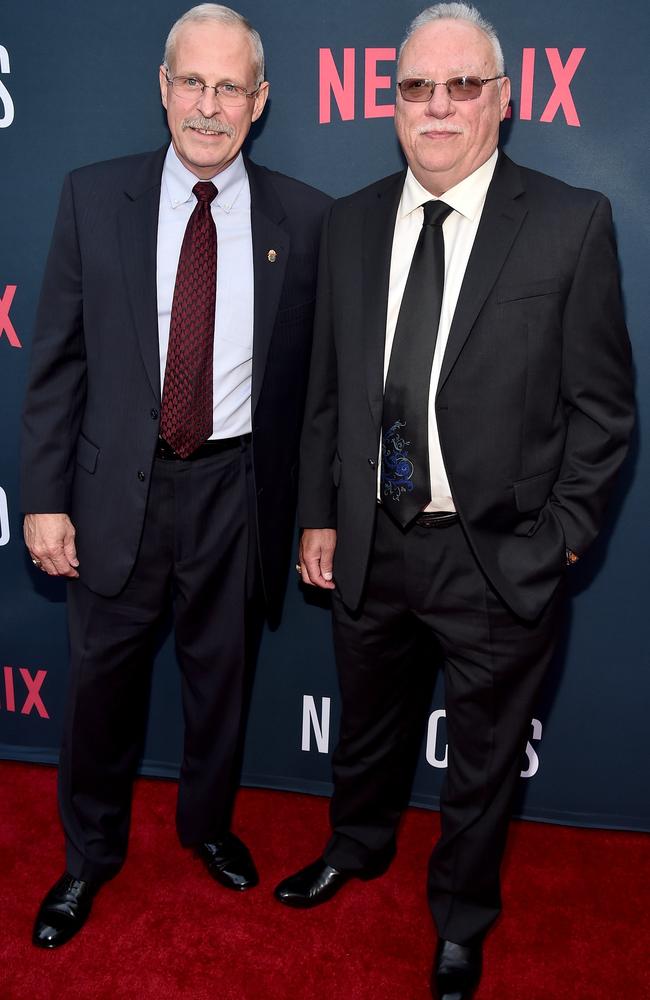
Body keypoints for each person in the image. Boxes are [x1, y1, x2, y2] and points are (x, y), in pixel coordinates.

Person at [274, 4, 634, 998]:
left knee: (481, 761)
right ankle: (355, 845)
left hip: (495, 553)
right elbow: (327, 393)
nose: (435, 108)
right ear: (390, 103)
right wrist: (318, 512)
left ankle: (459, 922)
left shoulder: (568, 223)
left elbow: (602, 411)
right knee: (366, 724)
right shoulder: (348, 224)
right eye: (413, 88)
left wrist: (558, 541)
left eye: (459, 86)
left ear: (501, 100)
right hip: (371, 536)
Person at [22, 2, 330, 949]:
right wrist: (42, 497)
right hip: (120, 490)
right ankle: (88, 859)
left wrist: (312, 510)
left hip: (237, 494)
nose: (209, 105)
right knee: (100, 690)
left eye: (229, 86)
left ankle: (208, 826)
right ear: (163, 90)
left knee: (221, 686)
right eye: (192, 83)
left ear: (261, 100)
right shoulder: (90, 195)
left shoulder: (305, 218)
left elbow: (319, 391)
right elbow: (58, 363)